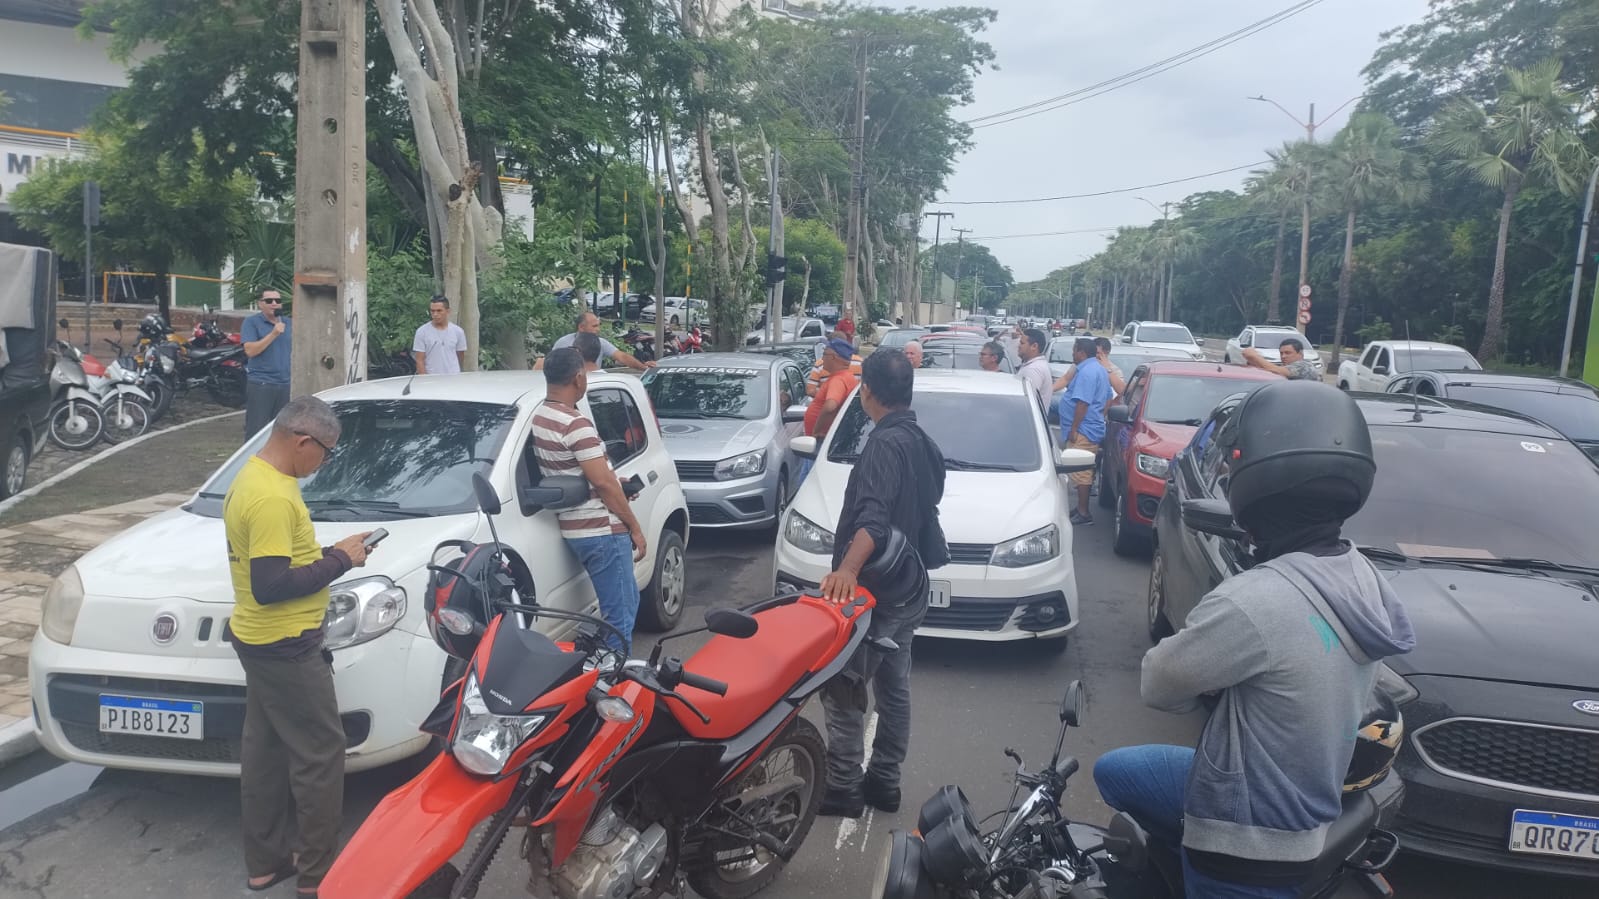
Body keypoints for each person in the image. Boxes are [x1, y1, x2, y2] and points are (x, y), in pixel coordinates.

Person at [1094, 380, 1415, 898]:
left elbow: (1159, 683)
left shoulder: (1256, 600)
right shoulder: (1359, 575)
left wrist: (1215, 686)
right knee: (1120, 769)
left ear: (1254, 484)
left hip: (1247, 844)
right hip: (1313, 806)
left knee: (1111, 774)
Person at [224, 396, 373, 898]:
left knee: (265, 752)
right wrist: (340, 559)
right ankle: (318, 877)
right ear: (302, 441)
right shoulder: (272, 497)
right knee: (320, 755)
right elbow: (271, 584)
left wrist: (333, 555)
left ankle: (264, 864)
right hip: (286, 645)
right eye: (326, 453)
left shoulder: (255, 477)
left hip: (260, 641)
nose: (324, 463)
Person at [817, 349, 947, 818]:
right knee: (894, 686)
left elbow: (871, 523)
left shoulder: (883, 445)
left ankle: (844, 787)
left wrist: (846, 572)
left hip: (876, 593)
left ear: (866, 391)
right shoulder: (923, 442)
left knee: (845, 687)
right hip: (910, 585)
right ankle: (885, 783)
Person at [532, 348, 647, 654]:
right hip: (601, 531)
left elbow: (578, 472)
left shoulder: (542, 416)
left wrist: (613, 483)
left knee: (627, 602)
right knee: (619, 620)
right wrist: (634, 527)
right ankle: (611, 685)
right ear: (578, 378)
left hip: (576, 527)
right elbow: (603, 483)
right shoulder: (574, 423)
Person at [1059, 337, 1112, 526]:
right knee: (1083, 471)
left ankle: (1083, 512)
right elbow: (1107, 399)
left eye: (1074, 350)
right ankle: (1081, 508)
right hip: (1090, 425)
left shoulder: (1087, 372)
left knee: (1082, 472)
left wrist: (1074, 428)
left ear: (1081, 352)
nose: (1072, 354)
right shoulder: (1098, 369)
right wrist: (1099, 416)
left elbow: (1083, 402)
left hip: (1084, 429)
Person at [241, 290, 292, 438]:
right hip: (262, 383)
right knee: (256, 431)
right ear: (260, 304)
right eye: (269, 301)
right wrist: (273, 334)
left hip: (285, 384)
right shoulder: (251, 323)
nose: (274, 304)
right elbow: (250, 351)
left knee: (282, 430)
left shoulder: (288, 323)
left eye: (278, 300)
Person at [539, 311, 655, 372]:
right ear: (581, 327)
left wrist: (643, 367)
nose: (598, 329)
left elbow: (622, 357)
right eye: (594, 326)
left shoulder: (601, 342)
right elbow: (550, 366)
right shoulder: (563, 343)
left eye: (598, 326)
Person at [1052, 337, 1126, 401]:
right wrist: (1049, 390)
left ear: (1106, 353)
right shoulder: (1081, 364)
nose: (1094, 355)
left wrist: (1107, 369)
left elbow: (1121, 391)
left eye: (1097, 353)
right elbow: (1065, 379)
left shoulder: (1115, 371)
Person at [412, 294, 468, 374]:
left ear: (447, 311)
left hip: (453, 378)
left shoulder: (458, 331)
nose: (435, 314)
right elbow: (419, 360)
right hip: (432, 379)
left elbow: (460, 356)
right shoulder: (422, 332)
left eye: (439, 311)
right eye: (432, 311)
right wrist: (424, 380)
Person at [806, 331, 863, 397]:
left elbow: (810, 391)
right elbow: (865, 389)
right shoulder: (860, 363)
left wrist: (828, 394)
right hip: (851, 405)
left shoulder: (820, 364)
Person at [1244, 337, 1320, 381]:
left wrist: (1254, 356)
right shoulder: (1287, 366)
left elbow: (1276, 370)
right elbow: (1270, 370)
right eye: (1281, 353)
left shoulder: (1304, 366)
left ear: (1300, 353)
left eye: (1288, 353)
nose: (1283, 356)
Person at [1015, 327, 1053, 411]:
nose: (1019, 346)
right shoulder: (1035, 365)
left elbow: (1026, 402)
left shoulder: (1033, 370)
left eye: (1022, 343)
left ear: (1034, 346)